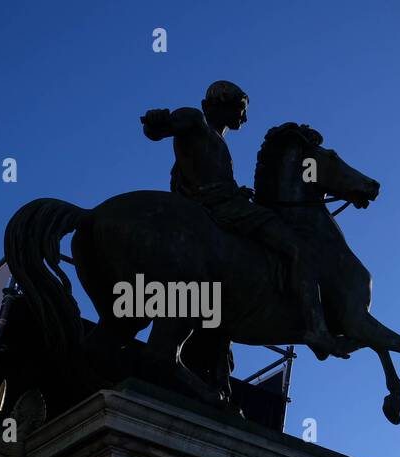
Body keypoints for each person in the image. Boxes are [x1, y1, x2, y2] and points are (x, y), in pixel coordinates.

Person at [140, 80, 348, 361]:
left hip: (224, 203)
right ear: (220, 103)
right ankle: (316, 328)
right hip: (223, 208)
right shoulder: (196, 119)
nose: (244, 117)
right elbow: (162, 128)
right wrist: (155, 122)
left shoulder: (215, 136)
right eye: (241, 109)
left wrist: (236, 191)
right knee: (299, 249)